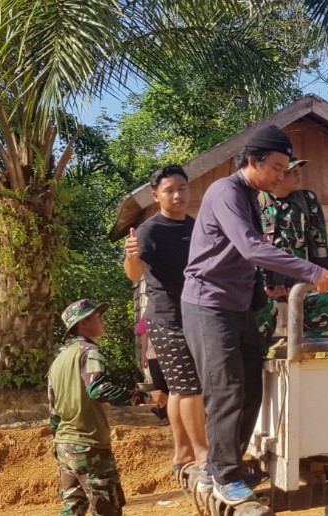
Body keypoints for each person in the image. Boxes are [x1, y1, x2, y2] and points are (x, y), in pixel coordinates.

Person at [180, 124, 328, 506]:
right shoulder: (226, 192)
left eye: (285, 169)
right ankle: (222, 473)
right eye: (277, 167)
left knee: (252, 383)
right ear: (253, 161)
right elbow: (251, 248)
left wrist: (273, 282)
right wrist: (312, 271)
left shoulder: (251, 195)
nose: (282, 175)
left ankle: (224, 463)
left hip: (240, 304)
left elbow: (243, 257)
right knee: (225, 388)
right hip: (208, 303)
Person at [123, 165, 206, 478]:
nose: (177, 195)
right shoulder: (149, 231)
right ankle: (201, 454)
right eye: (169, 190)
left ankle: (182, 451)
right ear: (156, 196)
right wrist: (131, 256)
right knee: (190, 388)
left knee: (178, 389)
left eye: (182, 188)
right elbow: (134, 273)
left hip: (196, 316)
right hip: (166, 318)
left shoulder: (196, 226)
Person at [48, 299, 150, 516]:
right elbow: (99, 389)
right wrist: (144, 396)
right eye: (97, 316)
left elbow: (53, 411)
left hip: (64, 445)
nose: (101, 320)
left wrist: (59, 444)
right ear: (83, 323)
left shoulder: (58, 361)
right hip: (89, 445)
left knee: (72, 508)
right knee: (107, 509)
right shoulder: (89, 351)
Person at [254, 158, 328, 345]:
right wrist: (265, 285)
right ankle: (262, 354)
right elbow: (250, 248)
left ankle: (313, 349)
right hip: (265, 285)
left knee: (327, 297)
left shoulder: (306, 200)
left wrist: (319, 277)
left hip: (303, 279)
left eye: (299, 169)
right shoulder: (255, 202)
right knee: (255, 305)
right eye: (292, 170)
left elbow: (319, 243)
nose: (298, 173)